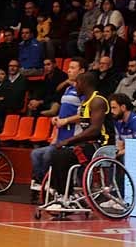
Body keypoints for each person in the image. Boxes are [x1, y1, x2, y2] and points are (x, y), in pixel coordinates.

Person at [44, 72, 116, 200]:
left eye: (77, 83)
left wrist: (68, 141)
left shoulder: (97, 101)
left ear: (83, 83)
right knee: (56, 153)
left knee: (63, 156)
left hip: (102, 145)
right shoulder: (85, 102)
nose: (75, 86)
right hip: (89, 144)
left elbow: (94, 130)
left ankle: (65, 194)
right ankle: (61, 192)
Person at [31, 58, 85, 194]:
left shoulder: (84, 91)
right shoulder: (68, 89)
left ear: (82, 71)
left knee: (49, 154)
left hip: (74, 138)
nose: (69, 70)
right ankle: (43, 182)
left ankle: (54, 185)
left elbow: (85, 115)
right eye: (69, 67)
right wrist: (57, 119)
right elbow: (63, 114)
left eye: (73, 68)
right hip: (60, 137)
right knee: (35, 154)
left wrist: (65, 121)